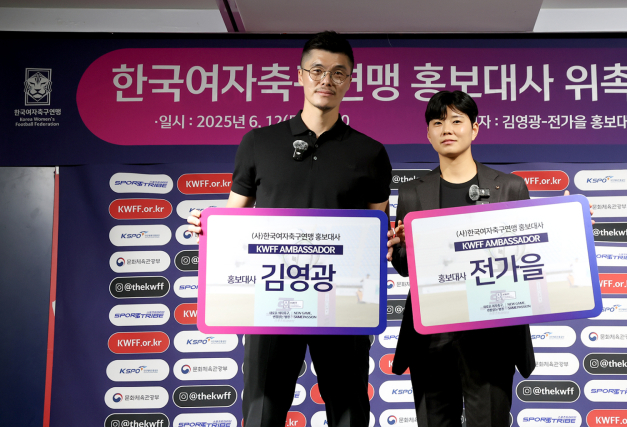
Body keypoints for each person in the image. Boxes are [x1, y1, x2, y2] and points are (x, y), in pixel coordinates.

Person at [188, 31, 392, 427]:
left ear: (350, 80)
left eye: (338, 72)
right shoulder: (258, 143)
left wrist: (389, 243)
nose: (326, 80)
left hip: (342, 302)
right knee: (263, 413)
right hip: (271, 301)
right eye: (317, 70)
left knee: (349, 412)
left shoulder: (370, 153)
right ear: (300, 75)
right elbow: (233, 220)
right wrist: (208, 227)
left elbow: (376, 232)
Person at [385, 90, 535, 427]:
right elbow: (408, 268)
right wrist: (399, 249)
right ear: (428, 133)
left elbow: (528, 255)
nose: (447, 129)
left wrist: (568, 225)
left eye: (456, 120)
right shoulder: (412, 191)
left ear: (474, 128)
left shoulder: (510, 188)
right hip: (430, 332)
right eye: (438, 123)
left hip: (492, 331)